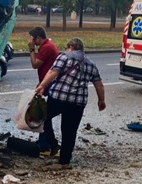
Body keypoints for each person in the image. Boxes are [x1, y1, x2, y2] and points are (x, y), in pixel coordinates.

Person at [35, 38, 106, 167]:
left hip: (58, 97)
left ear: (70, 47)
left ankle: (53, 144)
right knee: (70, 131)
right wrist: (101, 100)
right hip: (78, 102)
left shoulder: (64, 57)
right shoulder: (91, 63)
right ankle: (64, 161)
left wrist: (42, 86)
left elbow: (53, 72)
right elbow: (99, 84)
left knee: (43, 117)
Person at [27, 26, 59, 156]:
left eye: (33, 39)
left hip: (47, 84)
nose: (31, 41)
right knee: (43, 113)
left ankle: (47, 144)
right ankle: (43, 142)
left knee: (43, 114)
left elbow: (35, 64)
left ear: (38, 38)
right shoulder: (48, 45)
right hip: (46, 83)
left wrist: (31, 49)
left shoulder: (46, 48)